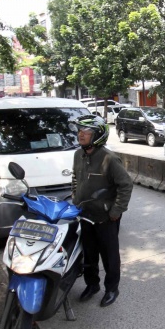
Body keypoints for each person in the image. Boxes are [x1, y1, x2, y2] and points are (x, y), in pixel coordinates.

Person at [72, 116, 133, 307]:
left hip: (106, 217)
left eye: (86, 132)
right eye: (79, 131)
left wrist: (116, 211)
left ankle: (112, 288)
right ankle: (92, 285)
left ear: (97, 135)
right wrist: (75, 198)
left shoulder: (109, 158)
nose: (81, 135)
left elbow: (126, 185)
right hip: (85, 214)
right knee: (89, 255)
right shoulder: (78, 155)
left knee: (109, 257)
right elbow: (75, 179)